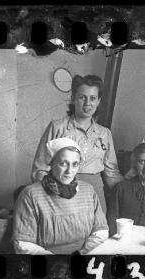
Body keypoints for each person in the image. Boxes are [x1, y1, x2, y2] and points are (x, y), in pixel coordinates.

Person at [31, 74, 124, 214]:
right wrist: (50, 194)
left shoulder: (105, 133)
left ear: (99, 101)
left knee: (97, 232)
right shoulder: (57, 127)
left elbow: (111, 173)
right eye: (82, 97)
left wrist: (131, 186)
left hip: (95, 191)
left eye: (93, 98)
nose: (88, 103)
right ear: (74, 98)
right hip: (62, 188)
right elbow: (40, 168)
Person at [13, 137, 109, 255]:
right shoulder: (31, 195)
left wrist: (82, 254)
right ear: (51, 163)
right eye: (63, 164)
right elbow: (24, 243)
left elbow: (101, 231)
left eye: (75, 164)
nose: (69, 171)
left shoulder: (88, 191)